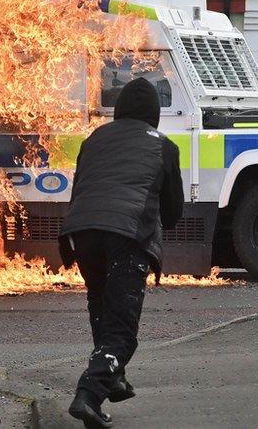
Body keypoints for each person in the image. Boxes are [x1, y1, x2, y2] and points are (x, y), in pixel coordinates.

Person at [57, 78, 183, 428]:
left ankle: (113, 379)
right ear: (155, 115)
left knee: (101, 305)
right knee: (123, 330)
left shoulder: (93, 140)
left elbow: (81, 188)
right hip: (127, 235)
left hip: (81, 233)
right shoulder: (164, 147)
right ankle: (89, 393)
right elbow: (172, 214)